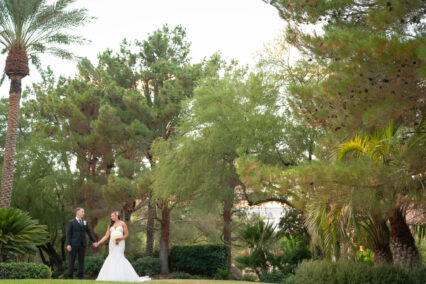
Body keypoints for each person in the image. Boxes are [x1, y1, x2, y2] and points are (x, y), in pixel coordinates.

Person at [96, 211, 151, 282]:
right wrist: (99, 242)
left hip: (120, 242)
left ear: (117, 216)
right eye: (111, 216)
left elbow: (126, 234)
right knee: (111, 256)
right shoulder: (110, 225)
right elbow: (106, 235)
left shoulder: (122, 223)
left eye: (112, 216)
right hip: (112, 243)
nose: (111, 217)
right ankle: (111, 276)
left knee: (119, 256)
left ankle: (124, 276)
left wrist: (120, 238)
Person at [66, 208, 98, 279]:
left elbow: (89, 232)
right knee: (71, 261)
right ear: (77, 212)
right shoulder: (71, 222)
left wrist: (94, 241)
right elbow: (68, 234)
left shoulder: (85, 222)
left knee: (81, 261)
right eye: (82, 212)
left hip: (82, 244)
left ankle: (80, 276)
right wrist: (68, 244)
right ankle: (70, 277)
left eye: (84, 212)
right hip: (73, 244)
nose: (84, 213)